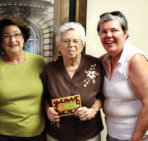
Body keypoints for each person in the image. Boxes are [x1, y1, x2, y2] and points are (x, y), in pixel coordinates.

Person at [41, 22, 104, 141]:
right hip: (57, 135)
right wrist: (48, 110)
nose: (71, 45)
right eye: (66, 41)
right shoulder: (49, 69)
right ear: (59, 46)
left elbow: (102, 95)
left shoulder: (95, 65)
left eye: (76, 41)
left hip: (89, 134)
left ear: (82, 45)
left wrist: (93, 110)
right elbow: (44, 98)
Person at [0, 16, 46, 141]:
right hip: (1, 135)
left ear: (23, 38)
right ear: (1, 42)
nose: (13, 40)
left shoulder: (39, 62)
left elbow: (51, 92)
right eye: (6, 36)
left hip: (36, 134)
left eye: (16, 34)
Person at [97, 11, 148, 141]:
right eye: (104, 31)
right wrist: (62, 60)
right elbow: (83, 65)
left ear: (125, 34)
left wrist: (135, 139)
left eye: (114, 30)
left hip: (136, 137)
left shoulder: (135, 59)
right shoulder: (104, 60)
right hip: (113, 135)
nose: (109, 35)